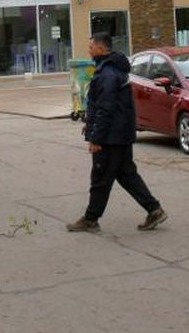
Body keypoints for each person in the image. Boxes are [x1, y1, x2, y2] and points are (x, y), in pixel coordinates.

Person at [68, 33, 167, 234]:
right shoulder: (110, 70)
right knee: (126, 174)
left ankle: (90, 219)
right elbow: (101, 106)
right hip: (120, 135)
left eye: (91, 47)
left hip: (111, 138)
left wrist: (96, 137)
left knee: (100, 177)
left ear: (102, 49)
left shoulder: (108, 74)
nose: (89, 51)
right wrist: (90, 125)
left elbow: (106, 109)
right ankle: (154, 209)